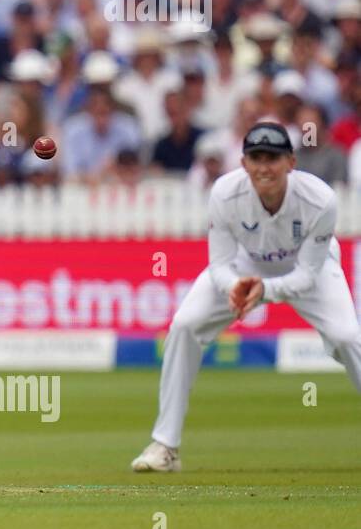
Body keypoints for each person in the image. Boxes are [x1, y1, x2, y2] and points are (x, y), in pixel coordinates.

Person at [132, 122, 361, 472]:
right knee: (184, 324)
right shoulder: (225, 192)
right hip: (245, 263)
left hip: (307, 267)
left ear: (291, 162)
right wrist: (235, 287)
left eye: (273, 158)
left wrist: (265, 289)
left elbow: (307, 275)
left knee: (348, 337)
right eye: (256, 158)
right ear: (243, 163)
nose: (264, 167)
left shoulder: (320, 200)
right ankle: (166, 447)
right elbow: (220, 264)